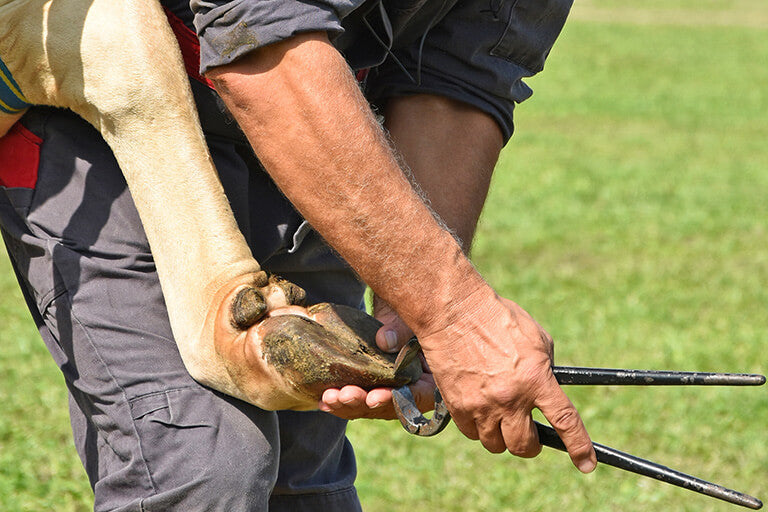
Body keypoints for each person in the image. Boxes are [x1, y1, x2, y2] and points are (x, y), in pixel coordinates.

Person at [0, 0, 596, 510]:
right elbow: (262, 38)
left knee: (303, 474)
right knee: (205, 463)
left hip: (324, 123)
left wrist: (413, 311)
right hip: (102, 99)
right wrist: (454, 312)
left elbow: (460, 74)